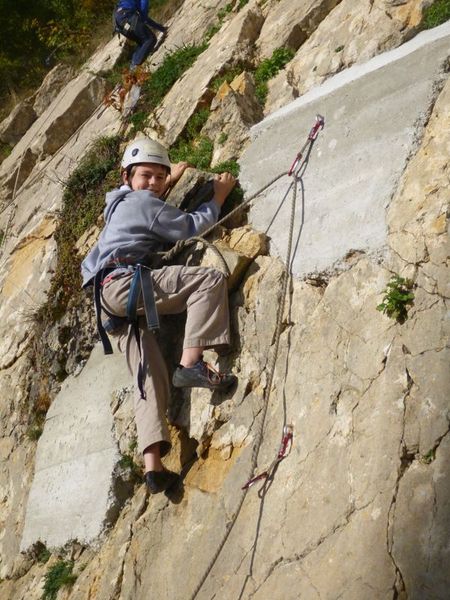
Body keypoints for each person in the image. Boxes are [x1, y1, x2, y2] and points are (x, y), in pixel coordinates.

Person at [81, 137, 237, 494]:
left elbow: (146, 209)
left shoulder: (117, 206)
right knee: (209, 281)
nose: (152, 183)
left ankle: (153, 467)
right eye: (145, 176)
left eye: (158, 176)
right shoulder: (143, 203)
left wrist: (167, 182)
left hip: (106, 301)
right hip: (125, 284)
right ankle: (191, 364)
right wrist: (218, 197)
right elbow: (190, 227)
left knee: (146, 376)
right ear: (127, 176)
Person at [114, 0, 168, 70]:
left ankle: (133, 64)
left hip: (121, 26)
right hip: (128, 17)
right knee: (150, 39)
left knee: (142, 42)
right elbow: (144, 16)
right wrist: (162, 29)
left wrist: (162, 28)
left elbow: (144, 18)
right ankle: (136, 64)